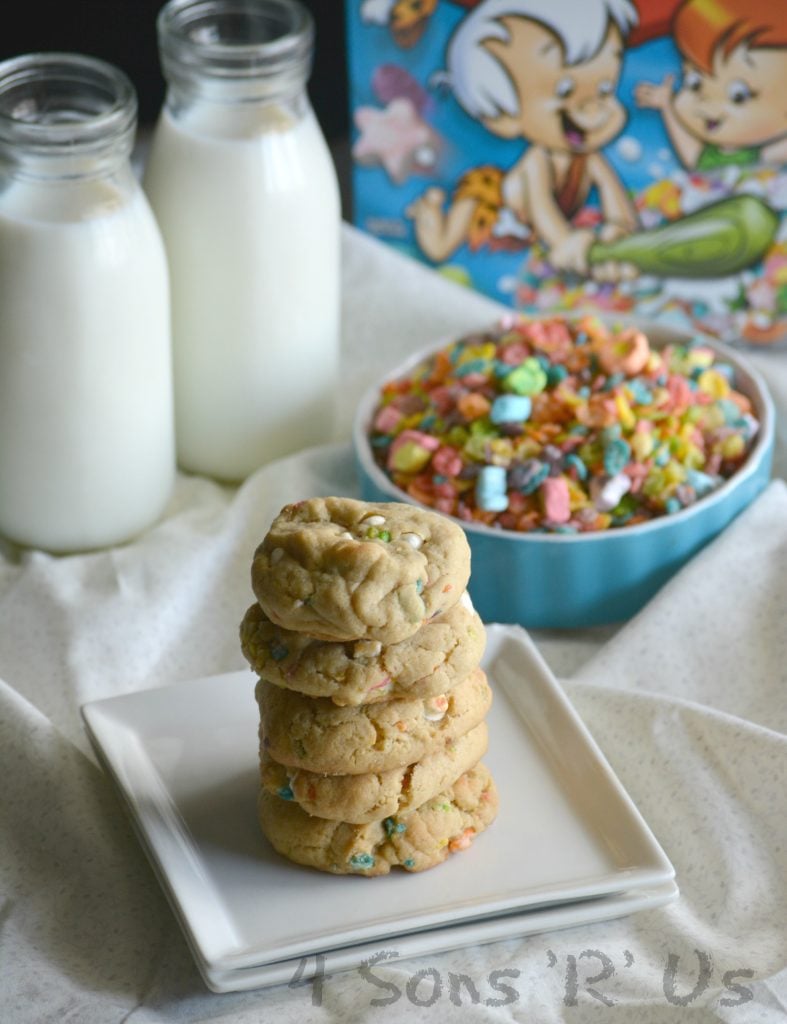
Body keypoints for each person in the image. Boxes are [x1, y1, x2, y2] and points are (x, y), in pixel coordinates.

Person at [407, 0, 639, 280]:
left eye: (604, 90)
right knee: (440, 248)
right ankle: (428, 210)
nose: (595, 109)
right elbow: (542, 207)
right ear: (504, 116)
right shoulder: (536, 162)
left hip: (524, 234)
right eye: (565, 91)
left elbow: (611, 191)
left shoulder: (587, 158)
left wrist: (621, 229)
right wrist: (566, 243)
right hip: (490, 197)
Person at [635, 0, 787, 171]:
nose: (707, 104)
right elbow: (691, 157)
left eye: (739, 96)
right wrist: (667, 107)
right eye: (694, 84)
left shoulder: (762, 156)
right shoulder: (707, 158)